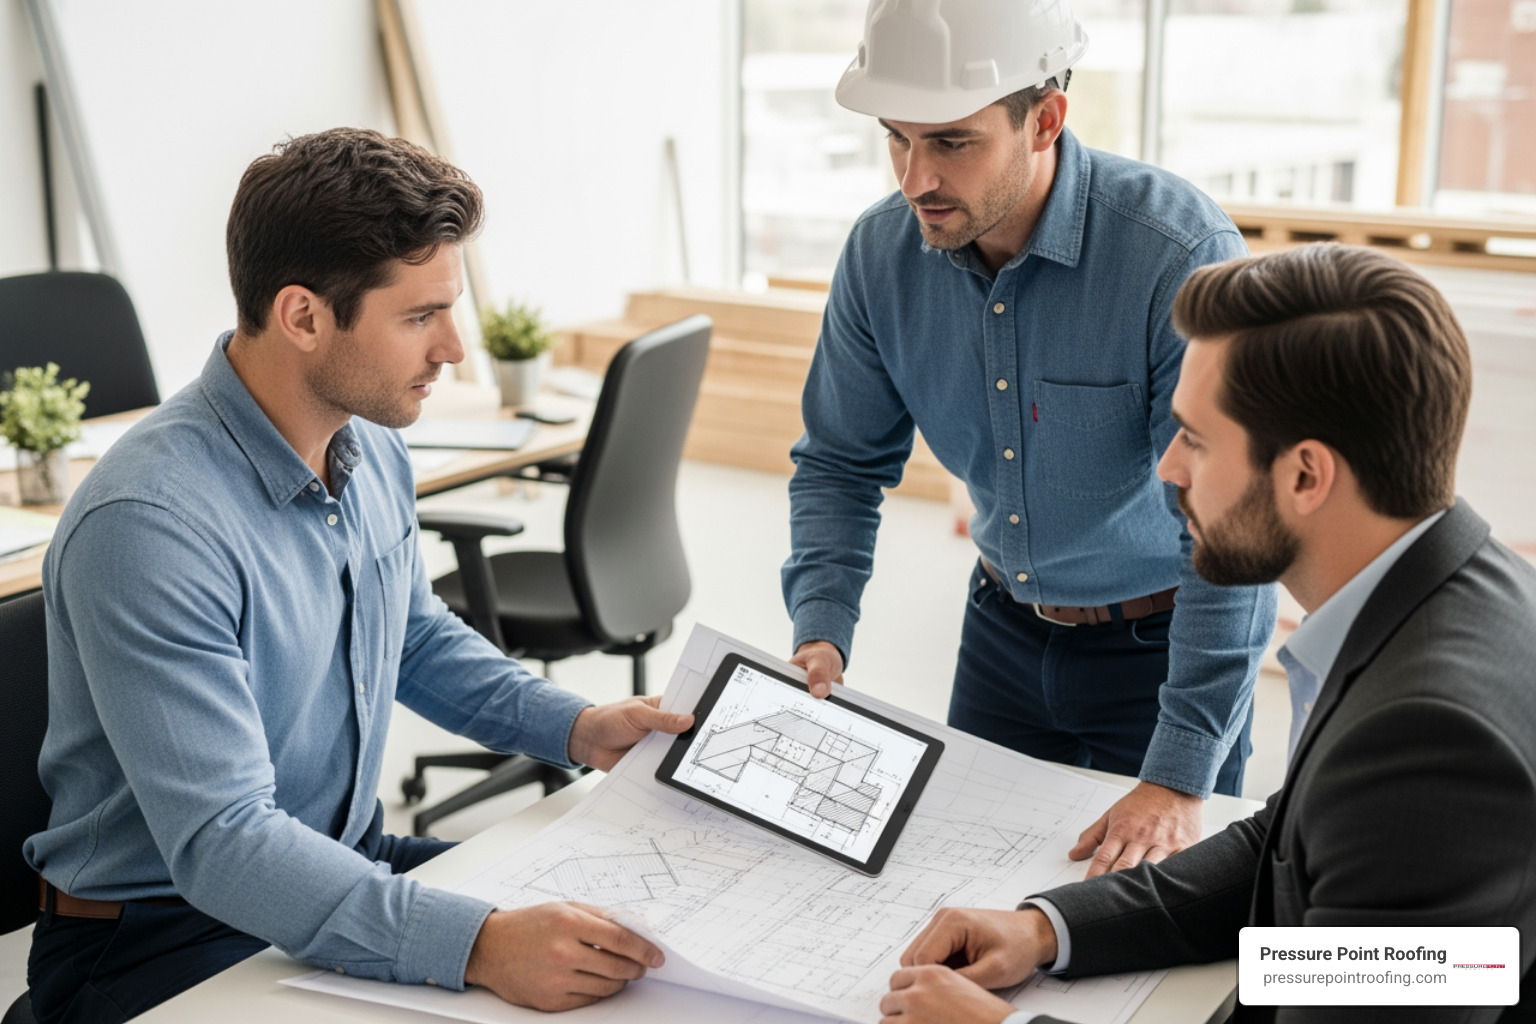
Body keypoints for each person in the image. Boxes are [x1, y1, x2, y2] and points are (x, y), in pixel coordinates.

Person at [24, 127, 693, 1024]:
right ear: (303, 317)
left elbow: (409, 634)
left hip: (334, 861)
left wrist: (578, 726)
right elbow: (224, 843)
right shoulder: (148, 526)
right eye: (420, 316)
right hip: (159, 936)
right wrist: (479, 946)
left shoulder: (367, 442)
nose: (455, 348)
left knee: (633, 953)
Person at [878, 244, 1536, 1024]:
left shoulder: (1427, 737)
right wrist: (1047, 929)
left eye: (1193, 437)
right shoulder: (1448, 590)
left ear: (1304, 475)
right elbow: (1295, 841)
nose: (1167, 468)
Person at [783, 0, 1276, 874]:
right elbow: (839, 464)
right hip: (1002, 637)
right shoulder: (878, 257)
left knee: (1149, 939)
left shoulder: (1176, 254)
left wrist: (1177, 773)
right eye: (896, 138)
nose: (914, 179)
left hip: (1160, 656)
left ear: (1044, 119)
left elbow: (1234, 526)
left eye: (951, 142)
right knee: (962, 895)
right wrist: (821, 625)